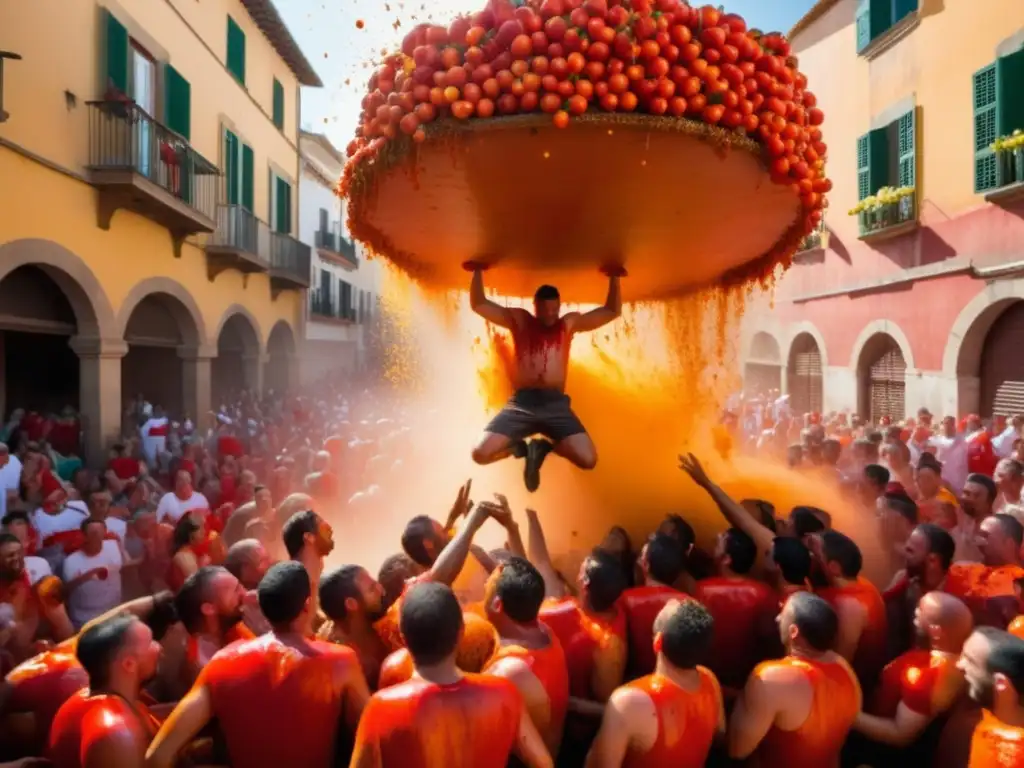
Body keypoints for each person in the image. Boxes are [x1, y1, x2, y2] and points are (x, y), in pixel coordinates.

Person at [146, 561, 370, 768]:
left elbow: (157, 757)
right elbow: (373, 737)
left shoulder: (222, 662)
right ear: (307, 605)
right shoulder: (340, 661)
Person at [350, 581, 553, 768]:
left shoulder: (380, 708)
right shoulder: (504, 694)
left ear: (403, 638)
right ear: (462, 632)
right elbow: (544, 764)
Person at [466, 262, 624, 492]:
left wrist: (615, 278)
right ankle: (516, 449)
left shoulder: (567, 324)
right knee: (479, 454)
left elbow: (611, 311)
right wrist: (477, 271)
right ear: (535, 307)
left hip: (556, 406)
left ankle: (545, 448)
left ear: (559, 307)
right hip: (522, 404)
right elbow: (480, 304)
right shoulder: (520, 320)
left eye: (554, 310)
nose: (550, 315)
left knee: (589, 460)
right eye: (545, 310)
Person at [728, 592, 861, 767]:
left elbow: (737, 749)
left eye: (782, 615)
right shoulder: (844, 668)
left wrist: (742, 699)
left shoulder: (770, 678)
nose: (777, 619)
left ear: (793, 631)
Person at [586, 599, 723, 767]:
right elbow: (719, 734)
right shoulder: (711, 681)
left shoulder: (629, 702)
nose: (672, 601)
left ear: (658, 642)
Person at [852, 592, 972, 764]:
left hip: (885, 753)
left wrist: (850, 716)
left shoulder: (926, 676)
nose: (916, 611)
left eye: (920, 611)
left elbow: (900, 735)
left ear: (936, 631)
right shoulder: (960, 656)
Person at [47, 614, 162, 767]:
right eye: (150, 643)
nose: (159, 647)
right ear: (129, 664)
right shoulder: (116, 734)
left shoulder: (105, 696)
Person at [483, 557, 570, 757]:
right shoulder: (545, 632)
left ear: (497, 605)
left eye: (487, 584)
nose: (484, 585)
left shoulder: (509, 670)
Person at [693, 527, 779, 692]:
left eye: (718, 543)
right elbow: (770, 642)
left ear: (726, 559)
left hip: (707, 681)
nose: (713, 544)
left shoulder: (701, 589)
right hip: (750, 682)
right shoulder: (765, 593)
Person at [813, 530, 888, 692]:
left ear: (833, 567)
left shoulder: (849, 607)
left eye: (815, 554)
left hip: (855, 687)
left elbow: (840, 663)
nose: (811, 557)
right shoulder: (860, 583)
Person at [619, 533, 687, 678]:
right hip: (673, 680)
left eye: (641, 557)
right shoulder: (689, 604)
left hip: (632, 679)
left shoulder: (625, 599)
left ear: (646, 565)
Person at [958, 627, 1024, 766]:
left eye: (970, 660)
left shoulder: (1010, 758)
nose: (959, 665)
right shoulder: (982, 715)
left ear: (1001, 684)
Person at [318, 564, 391, 689]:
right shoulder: (336, 657)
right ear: (351, 604)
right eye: (372, 589)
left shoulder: (384, 622)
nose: (381, 589)